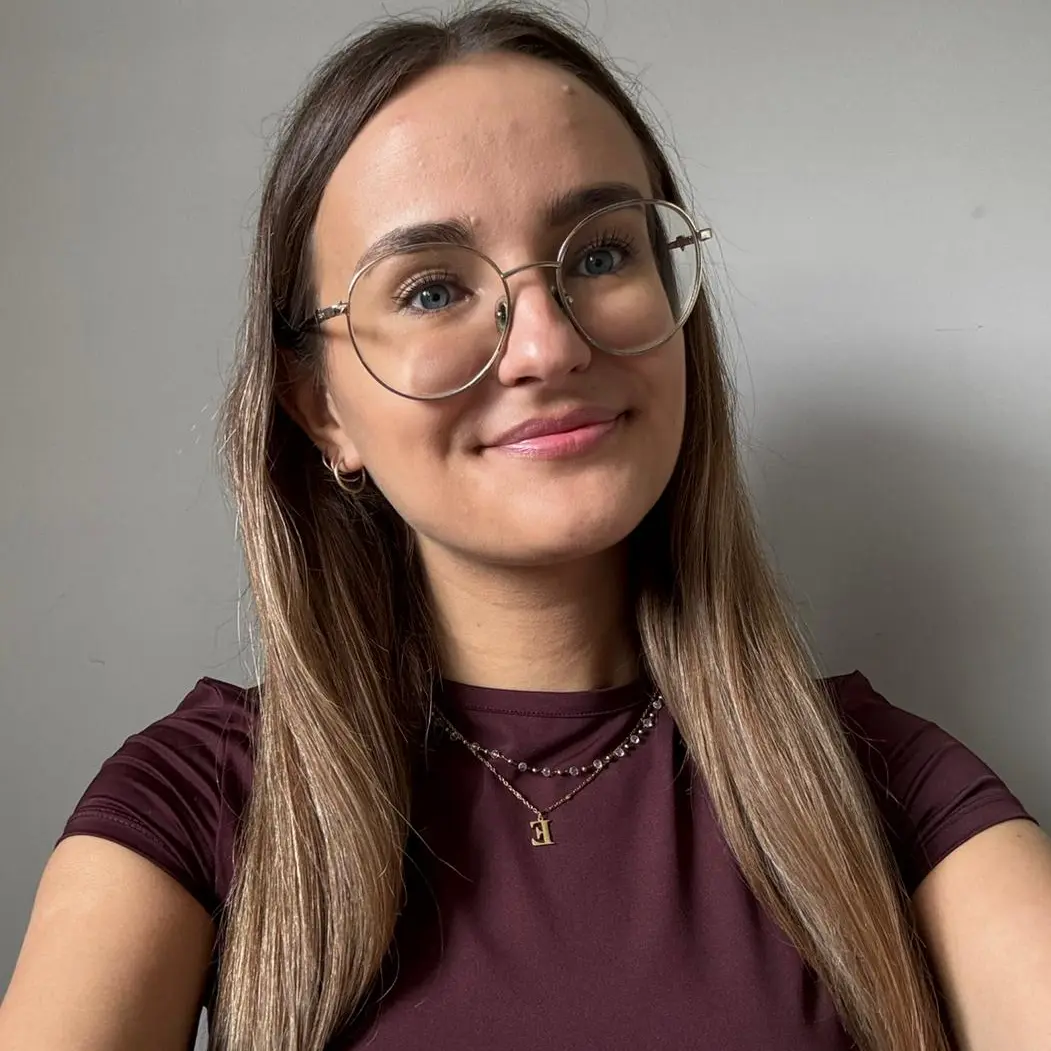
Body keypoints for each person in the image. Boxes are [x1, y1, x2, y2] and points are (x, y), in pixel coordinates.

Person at [2, 4, 1049, 1050]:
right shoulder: (200, 799)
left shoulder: (884, 785)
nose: (546, 345)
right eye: (430, 289)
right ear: (322, 408)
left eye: (599, 256)